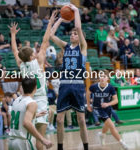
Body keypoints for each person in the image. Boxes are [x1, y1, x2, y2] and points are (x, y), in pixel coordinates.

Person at [9, 11, 56, 150]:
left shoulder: (21, 64)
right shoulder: (39, 62)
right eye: (33, 53)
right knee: (39, 140)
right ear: (31, 57)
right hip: (40, 100)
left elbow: (14, 50)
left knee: (30, 136)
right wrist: (50, 23)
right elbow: (45, 41)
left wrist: (12, 35)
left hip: (27, 100)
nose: (35, 53)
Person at [50, 4, 88, 150]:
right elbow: (52, 35)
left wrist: (76, 11)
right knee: (59, 120)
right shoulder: (65, 47)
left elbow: (78, 27)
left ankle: (86, 147)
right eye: (71, 33)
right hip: (65, 84)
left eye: (75, 34)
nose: (73, 34)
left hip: (78, 85)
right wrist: (60, 19)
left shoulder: (83, 47)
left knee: (81, 120)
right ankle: (60, 147)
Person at [87, 70, 129, 150]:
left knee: (107, 125)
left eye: (104, 76)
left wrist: (108, 104)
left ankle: (102, 135)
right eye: (101, 76)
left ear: (107, 78)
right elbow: (87, 93)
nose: (102, 78)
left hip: (107, 108)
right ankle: (122, 143)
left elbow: (116, 100)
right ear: (99, 77)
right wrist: (88, 104)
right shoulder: (94, 86)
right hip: (97, 108)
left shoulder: (110, 87)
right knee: (112, 125)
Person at [9, 77, 53, 150]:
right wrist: (43, 139)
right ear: (35, 88)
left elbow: (20, 116)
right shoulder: (31, 103)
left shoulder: (16, 100)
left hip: (12, 142)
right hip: (23, 142)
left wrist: (36, 115)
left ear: (22, 87)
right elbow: (26, 123)